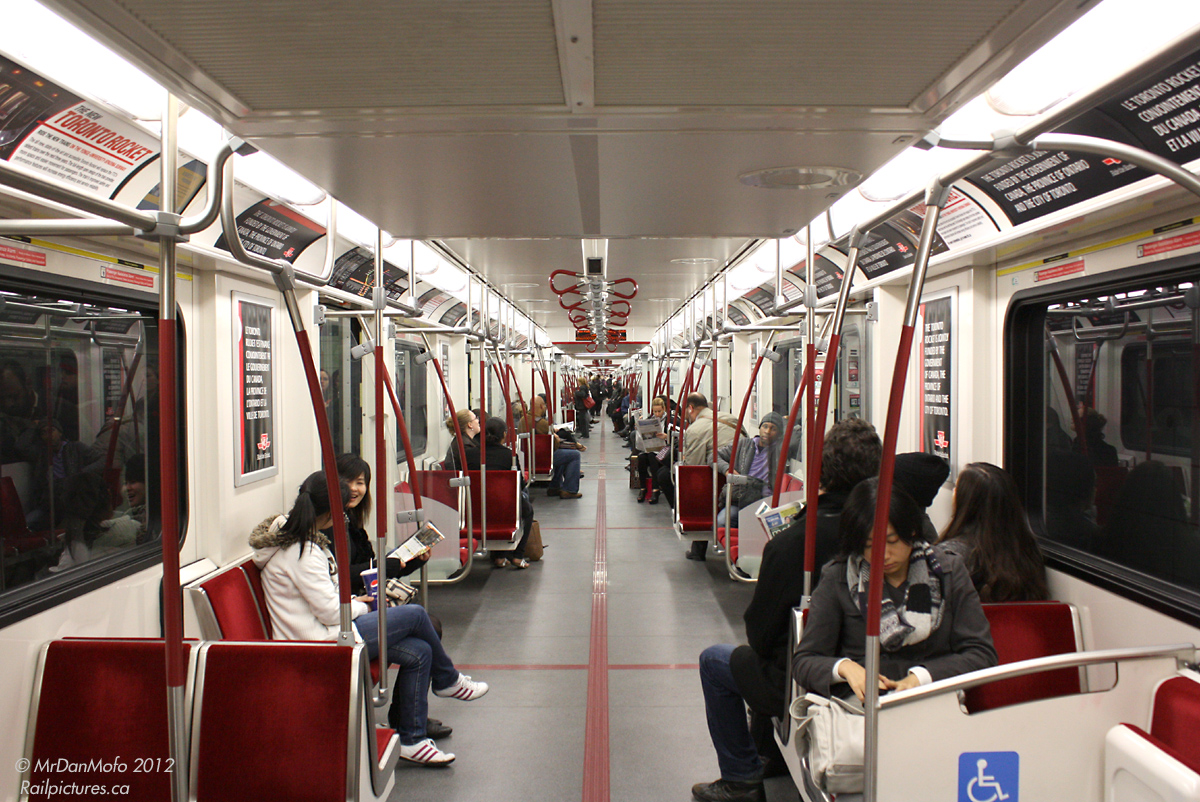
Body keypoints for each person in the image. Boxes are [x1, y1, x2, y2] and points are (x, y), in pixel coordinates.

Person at [768, 480, 996, 801]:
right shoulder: (838, 578)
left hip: (932, 709)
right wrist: (847, 669)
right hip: (862, 720)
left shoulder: (947, 573)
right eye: (868, 546)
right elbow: (805, 662)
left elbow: (981, 654)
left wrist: (921, 678)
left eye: (891, 541)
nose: (883, 555)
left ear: (912, 533)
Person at [693, 418, 882, 801]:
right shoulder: (896, 532)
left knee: (720, 661)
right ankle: (772, 755)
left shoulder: (795, 540)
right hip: (880, 671)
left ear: (822, 471)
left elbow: (760, 630)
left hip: (805, 676)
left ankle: (741, 777)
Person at [250, 471, 487, 766]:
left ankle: (411, 739)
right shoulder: (303, 551)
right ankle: (448, 680)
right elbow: (331, 610)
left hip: (328, 628)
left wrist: (356, 602)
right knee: (414, 614)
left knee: (420, 652)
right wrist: (362, 607)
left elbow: (327, 599)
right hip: (318, 641)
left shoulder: (298, 539)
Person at [937, 462, 1050, 603]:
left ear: (966, 501)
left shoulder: (949, 555)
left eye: (956, 489)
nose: (953, 493)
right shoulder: (1028, 550)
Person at [675, 393, 743, 561]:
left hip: (720, 477)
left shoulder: (695, 429)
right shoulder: (729, 418)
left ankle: (698, 551)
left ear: (690, 408)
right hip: (743, 473)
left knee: (700, 494)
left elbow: (693, 467)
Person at [467, 417, 536, 568]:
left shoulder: (470, 455)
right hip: (502, 505)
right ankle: (517, 555)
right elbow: (520, 483)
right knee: (527, 510)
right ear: (504, 435)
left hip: (474, 506)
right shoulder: (508, 456)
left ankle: (499, 556)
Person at [714, 412, 784, 530]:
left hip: (766, 502)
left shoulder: (780, 451)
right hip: (741, 499)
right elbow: (714, 456)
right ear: (759, 428)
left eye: (773, 429)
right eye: (765, 426)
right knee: (721, 522)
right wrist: (727, 470)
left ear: (779, 434)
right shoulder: (744, 444)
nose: (767, 431)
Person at [527, 395, 585, 499]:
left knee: (562, 455)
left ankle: (556, 486)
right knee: (574, 455)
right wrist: (556, 439)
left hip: (529, 457)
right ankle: (570, 490)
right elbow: (554, 444)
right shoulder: (542, 423)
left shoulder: (524, 420)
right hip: (542, 458)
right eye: (544, 405)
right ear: (541, 406)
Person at [636, 396, 671, 503]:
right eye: (655, 411)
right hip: (652, 448)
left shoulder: (671, 420)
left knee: (652, 457)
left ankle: (655, 489)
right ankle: (643, 488)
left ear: (664, 409)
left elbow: (678, 437)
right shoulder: (650, 420)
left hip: (666, 449)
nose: (657, 414)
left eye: (659, 411)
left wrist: (666, 436)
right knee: (641, 457)